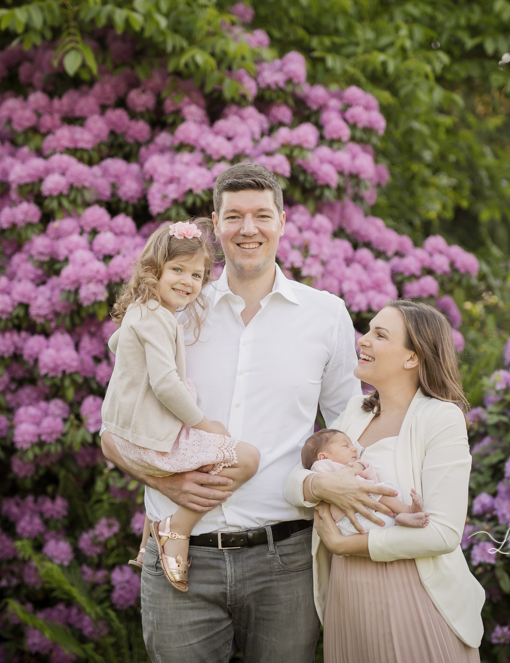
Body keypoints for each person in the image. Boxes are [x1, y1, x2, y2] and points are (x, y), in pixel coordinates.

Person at [100, 162, 375, 662]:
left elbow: (347, 429)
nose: (248, 229)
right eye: (234, 216)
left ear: (283, 221)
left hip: (285, 560)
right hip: (181, 560)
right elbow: (113, 429)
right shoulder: (174, 308)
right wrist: (163, 482)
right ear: (216, 223)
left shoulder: (326, 315)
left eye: (262, 215)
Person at [284, 300, 485, 662]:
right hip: (347, 599)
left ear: (412, 358)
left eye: (380, 334)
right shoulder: (355, 412)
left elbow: (443, 533)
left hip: (412, 591)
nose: (363, 340)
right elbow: (296, 479)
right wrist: (319, 487)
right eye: (368, 330)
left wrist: (348, 545)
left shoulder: (441, 418)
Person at [100, 217, 261, 592]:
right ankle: (177, 527)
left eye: (197, 275)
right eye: (177, 270)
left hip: (127, 433)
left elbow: (115, 345)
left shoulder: (141, 311)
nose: (188, 282)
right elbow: (166, 385)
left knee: (198, 454)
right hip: (145, 439)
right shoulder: (158, 319)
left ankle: (145, 544)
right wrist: (206, 424)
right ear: (153, 270)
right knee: (245, 456)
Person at [301, 428, 428, 536]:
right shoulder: (322, 467)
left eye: (352, 445)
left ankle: (400, 517)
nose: (354, 449)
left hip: (367, 515)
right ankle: (408, 510)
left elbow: (371, 478)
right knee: (378, 493)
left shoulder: (352, 466)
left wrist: (360, 466)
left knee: (385, 491)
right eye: (346, 446)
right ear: (323, 457)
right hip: (347, 519)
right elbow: (324, 478)